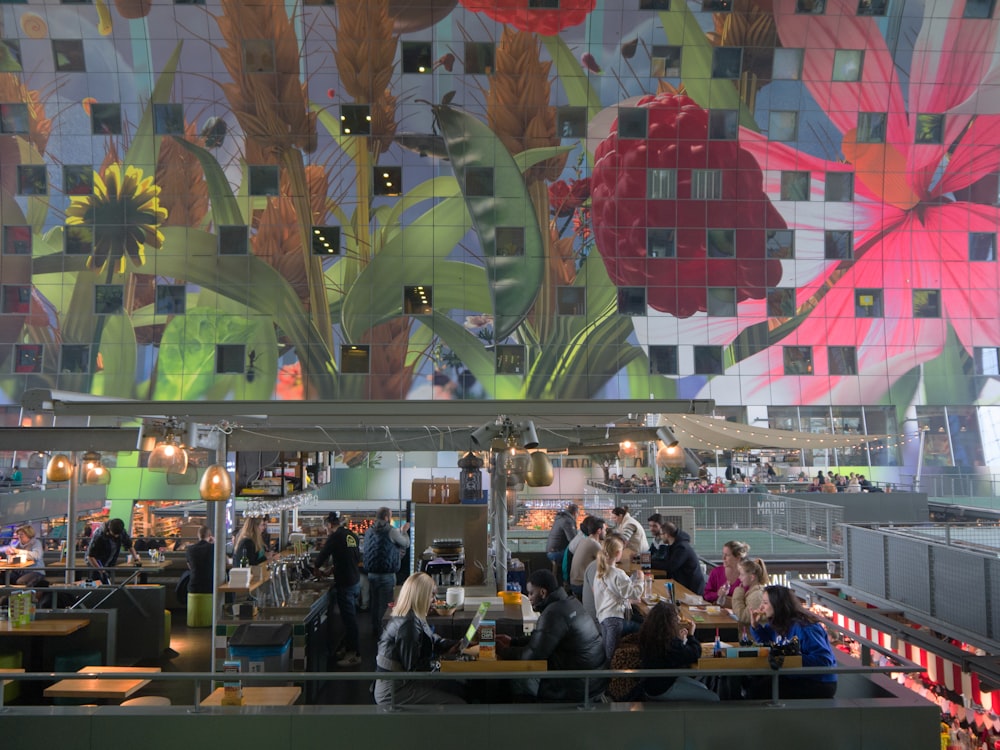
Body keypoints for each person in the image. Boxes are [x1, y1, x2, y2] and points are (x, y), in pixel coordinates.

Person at [496, 569, 606, 701]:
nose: (529, 598)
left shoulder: (553, 613)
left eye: (531, 593)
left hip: (578, 686)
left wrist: (502, 650)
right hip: (593, 681)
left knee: (515, 684)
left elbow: (533, 655)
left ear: (543, 592)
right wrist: (513, 642)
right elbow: (543, 640)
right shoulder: (570, 603)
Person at [373, 572, 464, 705]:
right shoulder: (408, 624)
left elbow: (434, 640)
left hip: (400, 682)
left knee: (458, 688)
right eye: (432, 594)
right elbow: (414, 669)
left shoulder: (414, 616)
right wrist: (442, 661)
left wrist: (458, 644)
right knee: (458, 703)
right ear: (422, 595)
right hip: (394, 690)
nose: (434, 600)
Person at [749, 585, 838, 699]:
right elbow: (767, 643)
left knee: (758, 690)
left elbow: (824, 660)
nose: (761, 607)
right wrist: (755, 627)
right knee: (751, 681)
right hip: (794, 675)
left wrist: (790, 658)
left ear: (778, 605)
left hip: (818, 682)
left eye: (765, 603)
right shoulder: (778, 623)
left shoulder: (806, 627)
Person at [636, 601, 717, 701]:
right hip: (663, 688)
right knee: (714, 698)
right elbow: (695, 653)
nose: (678, 619)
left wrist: (679, 640)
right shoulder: (669, 643)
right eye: (676, 617)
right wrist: (691, 635)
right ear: (668, 622)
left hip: (652, 683)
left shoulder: (650, 635)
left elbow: (674, 653)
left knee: (703, 688)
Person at [314, 511, 362, 667]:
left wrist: (315, 568)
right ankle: (347, 648)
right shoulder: (351, 535)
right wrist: (333, 569)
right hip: (355, 580)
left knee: (349, 621)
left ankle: (354, 654)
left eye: (326, 528)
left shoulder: (334, 537)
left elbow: (322, 556)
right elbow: (350, 558)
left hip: (345, 583)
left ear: (329, 525)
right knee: (351, 618)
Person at [593, 535, 644, 664]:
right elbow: (634, 594)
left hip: (603, 616)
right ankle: (614, 679)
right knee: (612, 655)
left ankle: (605, 678)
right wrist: (640, 580)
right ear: (617, 553)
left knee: (607, 651)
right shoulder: (618, 574)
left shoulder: (599, 572)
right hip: (615, 618)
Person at [364, 506, 409, 637]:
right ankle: (383, 636)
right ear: (386, 517)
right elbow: (405, 543)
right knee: (385, 608)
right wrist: (404, 531)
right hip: (387, 575)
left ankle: (374, 631)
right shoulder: (391, 531)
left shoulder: (369, 531)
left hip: (371, 574)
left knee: (374, 604)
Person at [662, 522, 705, 595]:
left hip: (692, 588)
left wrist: (650, 563)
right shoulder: (673, 546)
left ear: (666, 535)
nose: (660, 537)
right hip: (684, 584)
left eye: (661, 534)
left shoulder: (682, 547)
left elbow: (671, 566)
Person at [703, 540, 750, 605]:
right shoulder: (716, 572)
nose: (723, 558)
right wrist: (718, 594)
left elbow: (747, 602)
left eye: (727, 555)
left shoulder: (746, 577)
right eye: (723, 554)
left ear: (738, 558)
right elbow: (706, 596)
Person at [569, 515, 605, 600]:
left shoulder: (586, 540)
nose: (606, 532)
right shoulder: (593, 544)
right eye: (605, 530)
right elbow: (607, 562)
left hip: (574, 583)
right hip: (581, 585)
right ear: (599, 531)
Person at [545, 502, 579, 582]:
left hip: (552, 551)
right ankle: (569, 582)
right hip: (556, 553)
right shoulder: (568, 521)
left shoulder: (561, 518)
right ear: (575, 513)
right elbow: (573, 540)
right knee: (577, 556)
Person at [731, 557, 768, 628]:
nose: (739, 577)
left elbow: (744, 618)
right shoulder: (753, 592)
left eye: (742, 574)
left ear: (752, 577)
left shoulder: (757, 596)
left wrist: (738, 593)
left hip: (751, 636)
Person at [185, 525, 214, 595]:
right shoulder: (213, 548)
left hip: (194, 586)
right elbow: (225, 561)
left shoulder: (190, 549)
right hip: (210, 586)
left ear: (198, 535)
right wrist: (215, 543)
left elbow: (190, 567)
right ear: (210, 536)